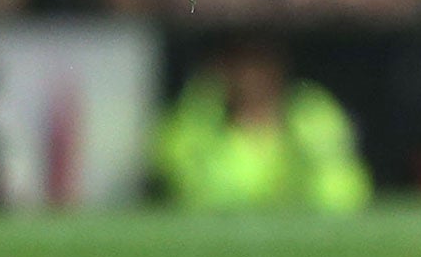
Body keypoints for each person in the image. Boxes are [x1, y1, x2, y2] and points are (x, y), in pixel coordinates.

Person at [157, 38, 373, 213]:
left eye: (259, 64)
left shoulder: (310, 112)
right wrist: (204, 97)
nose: (250, 76)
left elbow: (343, 195)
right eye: (238, 65)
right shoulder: (200, 116)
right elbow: (186, 188)